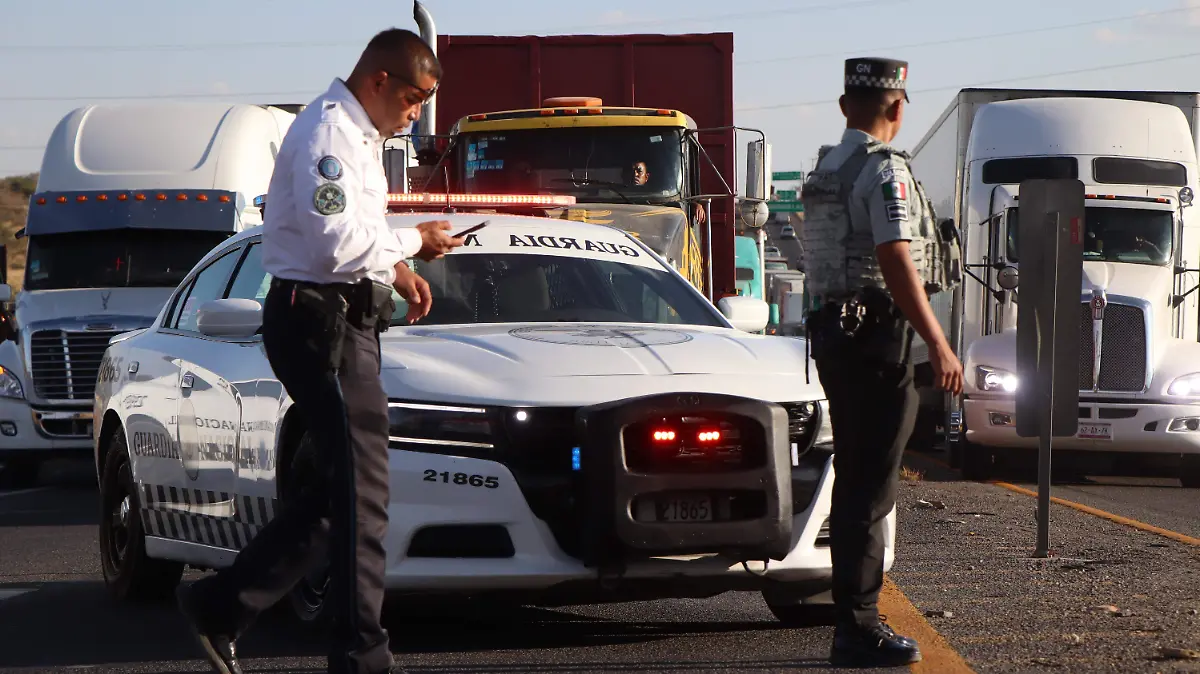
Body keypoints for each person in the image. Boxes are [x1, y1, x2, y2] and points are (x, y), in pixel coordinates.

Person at [175, 28, 464, 674]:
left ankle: (220, 606)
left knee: (343, 496)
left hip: (340, 320)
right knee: (361, 498)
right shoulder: (329, 135)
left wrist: (397, 272)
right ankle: (362, 656)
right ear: (379, 81)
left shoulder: (358, 137)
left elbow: (355, 237)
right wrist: (413, 243)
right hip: (318, 324)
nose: (416, 114)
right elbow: (335, 248)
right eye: (415, 98)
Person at [798, 57, 963, 668]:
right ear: (898, 108)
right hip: (875, 339)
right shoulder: (883, 171)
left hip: (837, 336)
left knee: (858, 478)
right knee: (870, 486)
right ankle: (857, 628)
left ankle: (854, 617)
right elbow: (895, 256)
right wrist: (939, 342)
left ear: (846, 107)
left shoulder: (826, 168)